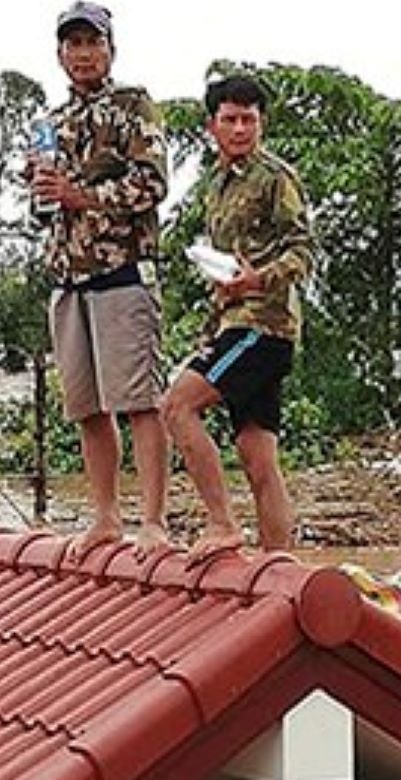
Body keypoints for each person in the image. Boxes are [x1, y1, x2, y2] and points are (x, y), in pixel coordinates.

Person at [34, 2, 171, 561]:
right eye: (73, 44)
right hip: (68, 277)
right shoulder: (50, 121)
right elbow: (43, 208)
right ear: (60, 54)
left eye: (92, 42)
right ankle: (106, 518)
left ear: (111, 49)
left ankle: (154, 522)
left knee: (140, 401)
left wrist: (81, 194)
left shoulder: (134, 105)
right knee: (87, 408)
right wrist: (43, 193)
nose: (83, 53)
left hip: (123, 272)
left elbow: (152, 184)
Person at [160, 74, 315, 563]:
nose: (241, 128)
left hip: (262, 326)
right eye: (231, 119)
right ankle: (278, 566)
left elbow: (304, 250)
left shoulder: (276, 177)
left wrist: (257, 280)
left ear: (261, 123)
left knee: (176, 407)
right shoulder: (216, 185)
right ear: (212, 126)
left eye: (249, 119)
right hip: (232, 322)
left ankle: (223, 524)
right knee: (257, 456)